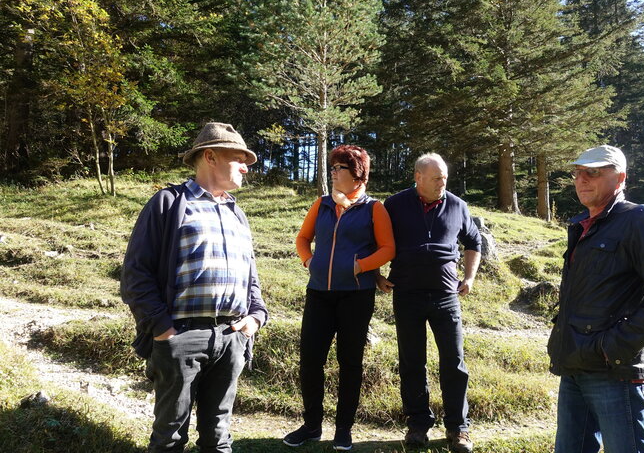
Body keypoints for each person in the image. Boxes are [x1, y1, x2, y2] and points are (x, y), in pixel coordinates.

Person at [121, 122, 269, 453]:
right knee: (170, 437)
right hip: (181, 337)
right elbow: (136, 273)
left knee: (219, 435)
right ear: (210, 157)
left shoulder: (236, 213)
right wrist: (162, 328)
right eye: (238, 158)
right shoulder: (169, 203)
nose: (246, 167)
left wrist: (256, 316)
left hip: (232, 337)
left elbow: (250, 275)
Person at [548, 145, 644, 453]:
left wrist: (612, 346)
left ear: (620, 178)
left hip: (615, 372)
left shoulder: (639, 219)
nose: (582, 180)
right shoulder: (582, 225)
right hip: (575, 365)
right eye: (578, 172)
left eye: (593, 172)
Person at [283, 145, 395, 451]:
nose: (333, 173)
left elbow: (388, 249)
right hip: (319, 293)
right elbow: (302, 238)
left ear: (357, 174)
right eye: (332, 168)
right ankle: (311, 426)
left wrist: (360, 266)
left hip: (356, 296)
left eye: (339, 168)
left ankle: (343, 429)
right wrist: (309, 261)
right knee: (310, 360)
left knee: (350, 363)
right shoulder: (321, 204)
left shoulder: (374, 208)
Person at [376, 153, 481, 453]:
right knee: (412, 362)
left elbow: (474, 241)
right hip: (406, 294)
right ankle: (418, 425)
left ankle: (458, 429)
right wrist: (375, 275)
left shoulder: (458, 205)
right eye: (436, 178)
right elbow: (375, 240)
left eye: (444, 178)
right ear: (418, 177)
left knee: (454, 361)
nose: (442, 183)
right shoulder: (394, 205)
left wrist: (470, 277)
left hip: (446, 296)